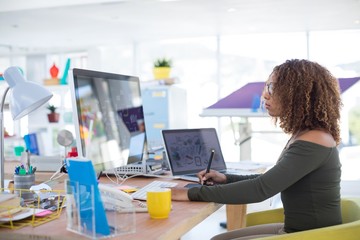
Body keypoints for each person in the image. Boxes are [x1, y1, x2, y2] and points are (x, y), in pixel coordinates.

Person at [171, 59, 343, 240]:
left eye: (272, 89)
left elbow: (260, 189)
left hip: (311, 236)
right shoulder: (306, 134)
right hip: (297, 230)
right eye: (267, 87)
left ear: (297, 95)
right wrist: (225, 178)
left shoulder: (315, 139)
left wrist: (190, 193)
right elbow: (270, 180)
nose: (265, 96)